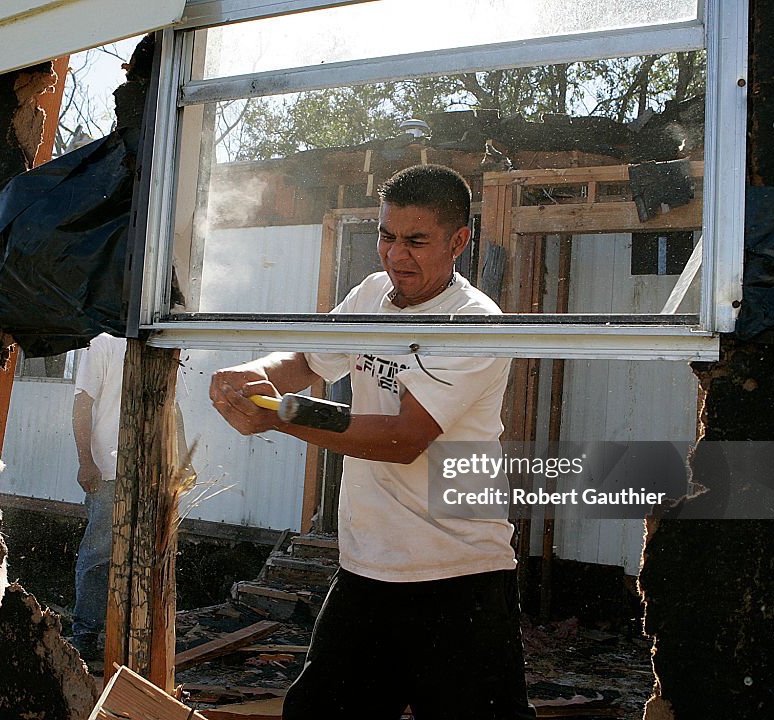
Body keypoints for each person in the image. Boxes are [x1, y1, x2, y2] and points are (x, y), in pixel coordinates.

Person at [209, 164, 536, 718]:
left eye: (416, 241)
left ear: (459, 241)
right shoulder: (371, 295)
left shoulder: (475, 323)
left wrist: (281, 414)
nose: (395, 256)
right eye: (387, 237)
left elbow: (402, 438)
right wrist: (252, 375)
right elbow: (307, 358)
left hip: (458, 580)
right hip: (367, 571)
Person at [70, 332, 126, 662]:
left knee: (138, 553)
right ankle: (86, 633)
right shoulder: (103, 342)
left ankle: (126, 633)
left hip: (146, 472)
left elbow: (172, 407)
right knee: (98, 553)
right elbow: (82, 404)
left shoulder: (161, 340)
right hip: (107, 471)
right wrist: (85, 461)